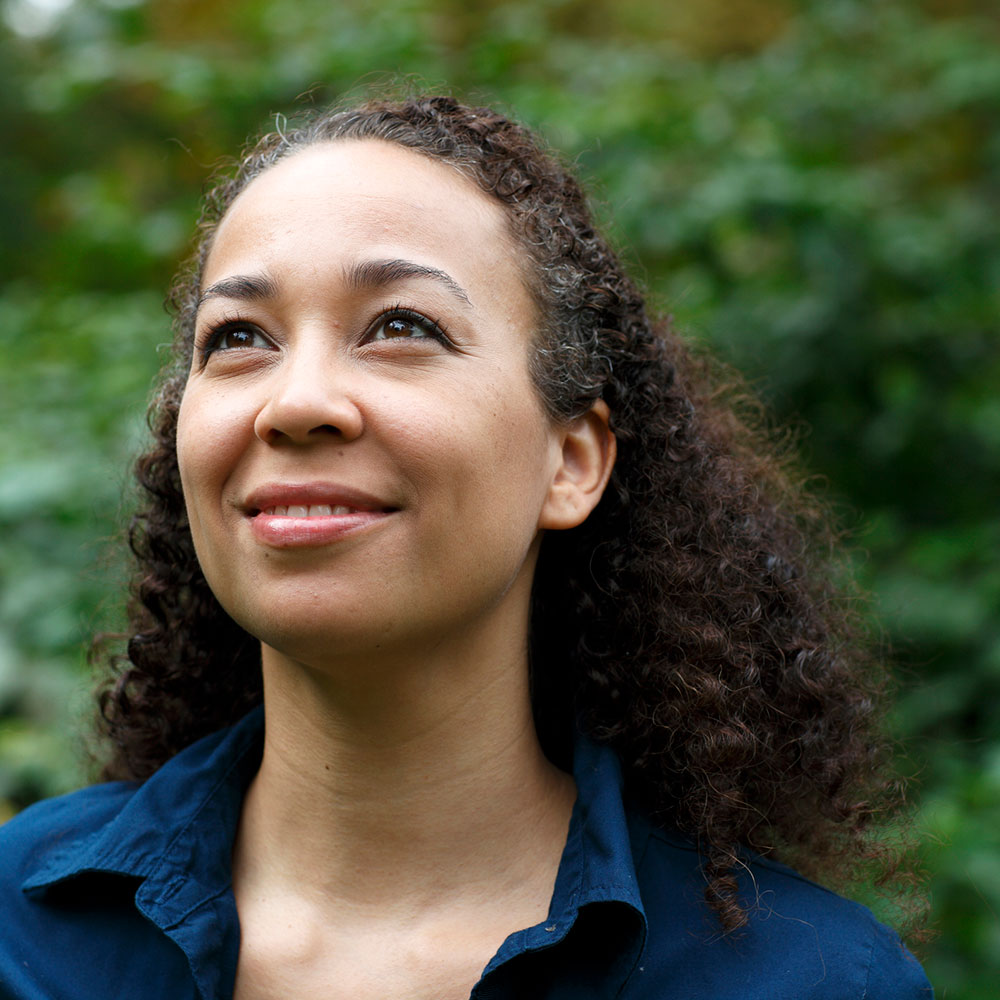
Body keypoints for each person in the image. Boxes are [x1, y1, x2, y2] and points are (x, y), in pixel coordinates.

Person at [0, 93, 932, 999]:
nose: (297, 402)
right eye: (239, 338)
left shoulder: (807, 983)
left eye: (401, 327)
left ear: (570, 463)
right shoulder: (17, 929)